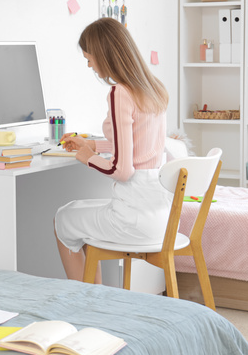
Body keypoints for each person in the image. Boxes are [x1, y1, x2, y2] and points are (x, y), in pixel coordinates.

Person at [54, 17, 169, 282]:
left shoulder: (119, 93)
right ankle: (95, 298)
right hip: (158, 215)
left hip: (134, 218)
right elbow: (140, 148)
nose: (88, 64)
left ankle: (87, 303)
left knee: (62, 219)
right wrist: (93, 144)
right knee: (76, 212)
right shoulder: (153, 88)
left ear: (104, 55)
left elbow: (123, 170)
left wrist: (88, 157)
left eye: (89, 57)